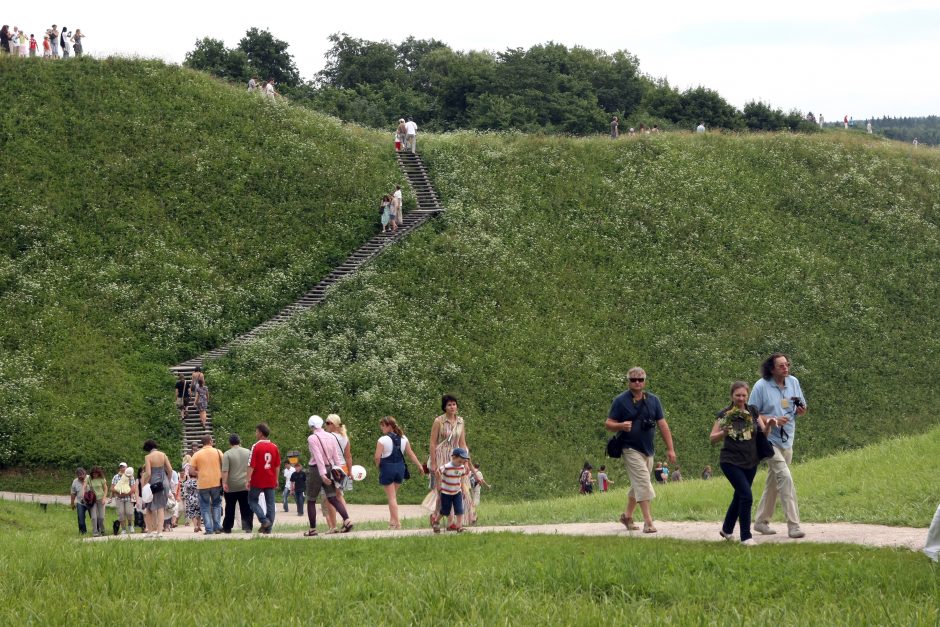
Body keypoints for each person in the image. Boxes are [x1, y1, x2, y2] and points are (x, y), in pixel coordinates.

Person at [605, 366, 677, 534]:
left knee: (638, 484)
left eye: (640, 379)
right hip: (630, 448)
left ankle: (627, 516)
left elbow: (663, 425)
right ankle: (648, 522)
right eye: (633, 380)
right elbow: (608, 424)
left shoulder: (654, 400)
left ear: (645, 381)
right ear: (628, 381)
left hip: (648, 449)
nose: (637, 382)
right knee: (644, 481)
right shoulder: (620, 401)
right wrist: (620, 425)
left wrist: (670, 448)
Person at [750, 353, 807, 539]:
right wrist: (771, 420)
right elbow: (751, 413)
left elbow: (801, 406)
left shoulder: (793, 382)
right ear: (772, 369)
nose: (786, 368)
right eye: (781, 365)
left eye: (787, 364)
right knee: (785, 477)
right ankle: (794, 525)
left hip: (787, 438)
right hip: (768, 439)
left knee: (774, 482)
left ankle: (760, 522)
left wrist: (800, 409)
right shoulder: (761, 386)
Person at [711, 381, 773, 545]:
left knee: (739, 496)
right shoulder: (725, 414)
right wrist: (724, 431)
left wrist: (769, 426)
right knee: (746, 496)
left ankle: (726, 529)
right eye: (737, 395)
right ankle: (746, 536)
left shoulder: (752, 411)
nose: (740, 398)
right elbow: (712, 438)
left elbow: (763, 433)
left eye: (743, 395)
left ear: (747, 395)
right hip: (730, 461)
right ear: (732, 395)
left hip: (751, 461)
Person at [424, 394, 472, 529]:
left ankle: (455, 521)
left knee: (459, 487)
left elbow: (462, 443)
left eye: (454, 404)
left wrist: (466, 462)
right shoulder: (439, 421)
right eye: (449, 405)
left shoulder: (460, 421)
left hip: (457, 457)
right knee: (443, 488)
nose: (452, 407)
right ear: (444, 407)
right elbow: (433, 443)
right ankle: (438, 517)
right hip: (442, 456)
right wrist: (433, 463)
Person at [304, 415, 353, 535]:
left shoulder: (312, 438)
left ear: (311, 426)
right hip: (330, 468)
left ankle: (312, 529)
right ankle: (347, 520)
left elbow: (318, 457)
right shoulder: (330, 436)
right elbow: (336, 455)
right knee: (332, 497)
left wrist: (322, 475)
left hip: (316, 470)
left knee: (311, 500)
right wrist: (337, 469)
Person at [375, 416, 425, 529]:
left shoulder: (382, 440)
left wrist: (379, 467)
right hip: (400, 469)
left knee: (391, 498)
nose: (381, 428)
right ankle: (392, 522)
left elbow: (377, 457)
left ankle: (397, 523)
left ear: (389, 426)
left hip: (387, 468)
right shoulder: (404, 438)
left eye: (383, 425)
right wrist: (419, 466)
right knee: (393, 497)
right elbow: (411, 454)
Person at [248, 423, 281, 533]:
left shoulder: (256, 446)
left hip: (258, 478)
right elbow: (277, 465)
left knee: (252, 500)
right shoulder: (274, 447)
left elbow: (251, 465)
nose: (256, 434)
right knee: (270, 503)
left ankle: (264, 520)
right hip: (270, 478)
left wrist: (248, 479)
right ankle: (268, 529)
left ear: (261, 433)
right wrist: (276, 478)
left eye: (256, 432)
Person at [435, 447, 478, 533]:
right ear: (453, 457)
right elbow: (437, 472)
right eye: (459, 461)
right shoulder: (447, 467)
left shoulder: (461, 467)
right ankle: (436, 522)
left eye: (462, 462)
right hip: (446, 492)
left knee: (460, 510)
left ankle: (459, 526)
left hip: (457, 492)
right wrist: (439, 484)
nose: (460, 464)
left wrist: (463, 490)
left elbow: (461, 478)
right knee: (445, 510)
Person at [323, 414, 353, 532]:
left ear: (334, 424)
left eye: (328, 423)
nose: (326, 425)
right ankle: (347, 521)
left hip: (332, 468)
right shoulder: (344, 437)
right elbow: (348, 456)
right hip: (342, 469)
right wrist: (350, 471)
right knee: (339, 496)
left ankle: (333, 526)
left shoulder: (328, 437)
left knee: (330, 497)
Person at [189, 435, 223, 534]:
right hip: (216, 482)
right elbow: (224, 466)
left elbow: (191, 470)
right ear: (211, 441)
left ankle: (208, 529)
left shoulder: (197, 454)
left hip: (203, 484)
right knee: (216, 505)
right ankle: (217, 527)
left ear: (202, 443)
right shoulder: (218, 452)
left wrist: (198, 473)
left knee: (205, 506)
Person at [221, 433, 253, 533]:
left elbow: (225, 470)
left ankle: (227, 527)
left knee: (230, 507)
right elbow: (251, 467)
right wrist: (249, 480)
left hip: (231, 485)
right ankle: (247, 526)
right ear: (240, 441)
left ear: (229, 443)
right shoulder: (248, 452)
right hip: (244, 484)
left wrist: (224, 483)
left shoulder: (227, 454)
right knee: (246, 507)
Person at [142, 440, 173, 537]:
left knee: (149, 508)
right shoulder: (163, 455)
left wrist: (144, 484)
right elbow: (170, 469)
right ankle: (159, 532)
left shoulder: (148, 457)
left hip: (154, 484)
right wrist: (168, 480)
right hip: (164, 482)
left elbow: (148, 473)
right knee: (161, 507)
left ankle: (150, 531)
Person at [111, 462, 136, 535]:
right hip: (119, 498)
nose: (122, 468)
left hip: (128, 497)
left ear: (127, 468)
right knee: (121, 514)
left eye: (124, 467)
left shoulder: (131, 476)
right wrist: (119, 493)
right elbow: (112, 488)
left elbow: (133, 488)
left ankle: (130, 525)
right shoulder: (116, 477)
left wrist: (125, 494)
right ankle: (123, 529)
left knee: (129, 513)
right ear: (119, 468)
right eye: (121, 467)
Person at [180, 455, 201, 532]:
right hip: (198, 498)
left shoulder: (187, 482)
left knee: (192, 513)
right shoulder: (198, 482)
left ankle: (195, 526)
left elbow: (185, 491)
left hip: (190, 499)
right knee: (199, 512)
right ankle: (199, 525)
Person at [69, 467, 92, 535]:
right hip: (80, 502)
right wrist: (72, 503)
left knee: (94, 518)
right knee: (81, 519)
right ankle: (83, 532)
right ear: (77, 475)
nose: (81, 476)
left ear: (85, 473)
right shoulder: (75, 482)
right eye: (79, 475)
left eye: (82, 474)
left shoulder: (90, 478)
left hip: (90, 502)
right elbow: (73, 494)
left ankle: (97, 530)